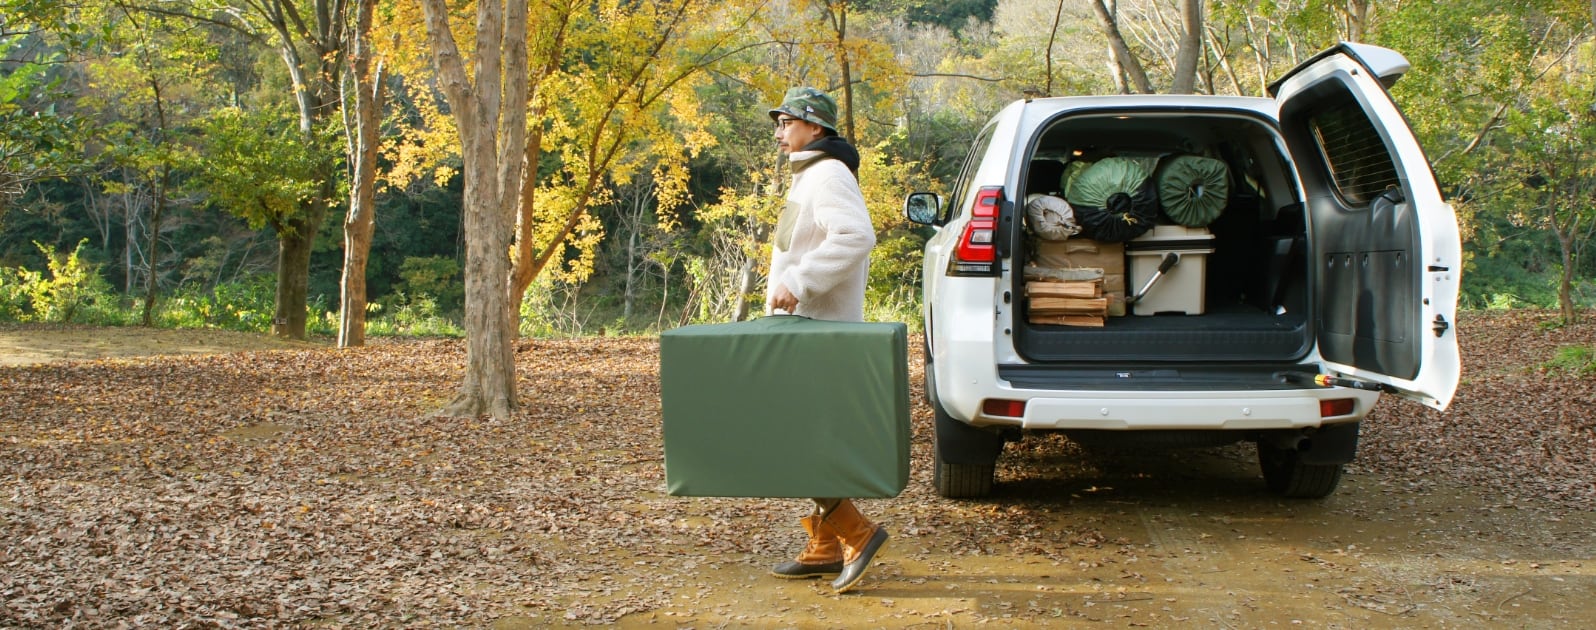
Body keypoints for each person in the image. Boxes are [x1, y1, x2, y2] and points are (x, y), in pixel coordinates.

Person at [762, 86, 889, 594]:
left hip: (818, 332)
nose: (779, 132)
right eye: (778, 124)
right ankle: (825, 543)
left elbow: (856, 235)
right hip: (802, 330)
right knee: (801, 435)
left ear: (815, 127)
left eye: (787, 122)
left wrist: (801, 282)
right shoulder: (810, 176)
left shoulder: (829, 174)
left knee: (797, 438)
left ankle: (858, 533)